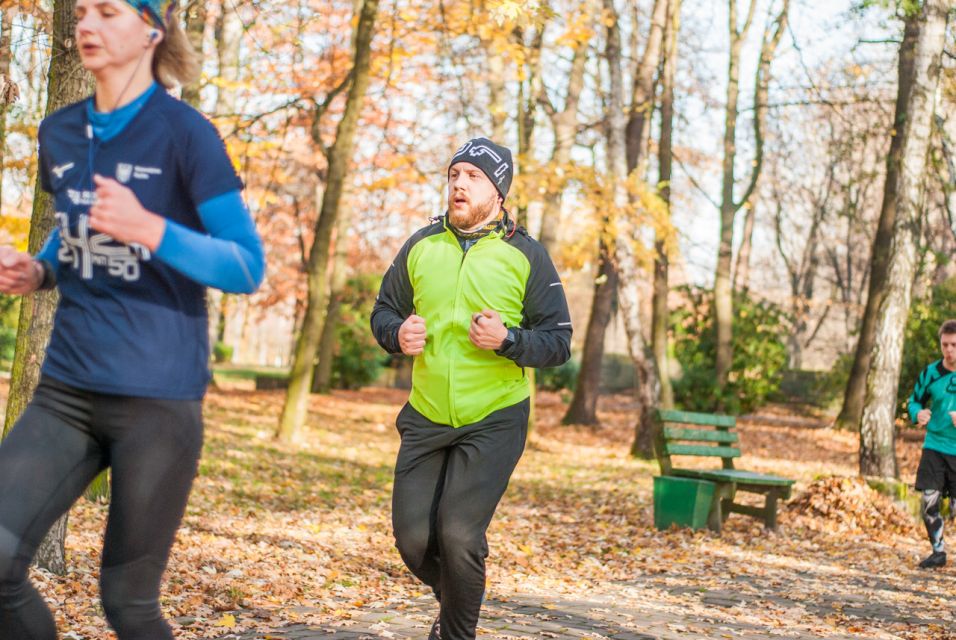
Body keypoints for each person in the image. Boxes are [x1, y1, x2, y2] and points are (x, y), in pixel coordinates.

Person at [0, 0, 265, 637]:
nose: (86, 25)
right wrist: (38, 271)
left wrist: (152, 229)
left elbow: (245, 265)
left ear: (153, 26)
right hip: (65, 392)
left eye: (108, 12)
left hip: (157, 402)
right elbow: (74, 233)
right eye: (82, 11)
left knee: (128, 603)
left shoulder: (186, 134)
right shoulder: (60, 132)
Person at [370, 137, 572, 640]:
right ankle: (458, 599)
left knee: (459, 535)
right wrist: (396, 334)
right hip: (426, 412)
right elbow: (382, 311)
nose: (459, 184)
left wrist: (509, 340)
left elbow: (559, 342)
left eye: (473, 176)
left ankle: (456, 632)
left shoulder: (526, 254)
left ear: (498, 191)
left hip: (495, 415)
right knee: (413, 540)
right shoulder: (421, 244)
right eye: (453, 175)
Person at [908, 319, 956, 570]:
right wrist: (918, 413)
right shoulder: (931, 373)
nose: (949, 350)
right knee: (929, 501)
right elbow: (913, 400)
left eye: (954, 345)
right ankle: (938, 551)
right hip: (935, 446)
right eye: (945, 345)